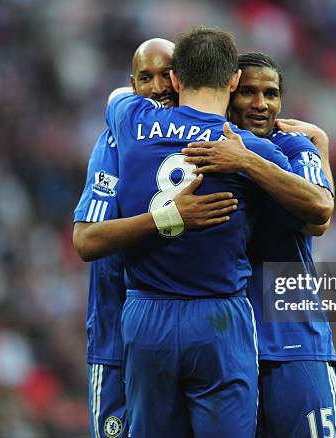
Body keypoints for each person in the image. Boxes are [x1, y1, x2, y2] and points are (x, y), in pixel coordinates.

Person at [105, 27, 328, 438]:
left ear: (173, 80)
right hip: (219, 317)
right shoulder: (248, 147)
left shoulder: (130, 119)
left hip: (145, 314)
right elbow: (318, 210)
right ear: (231, 82)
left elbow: (117, 97)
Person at [72, 38, 237, 438]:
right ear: (133, 84)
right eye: (146, 78)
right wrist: (166, 217)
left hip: (198, 335)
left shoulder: (220, 141)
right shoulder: (116, 142)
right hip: (117, 335)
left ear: (182, 79)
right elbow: (87, 240)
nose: (159, 86)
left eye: (167, 75)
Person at [183, 52, 336, 437]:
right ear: (228, 93)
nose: (260, 104)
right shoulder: (197, 147)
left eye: (270, 94)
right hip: (223, 347)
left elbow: (318, 214)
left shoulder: (291, 147)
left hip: (294, 340)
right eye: (249, 92)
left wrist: (248, 161)